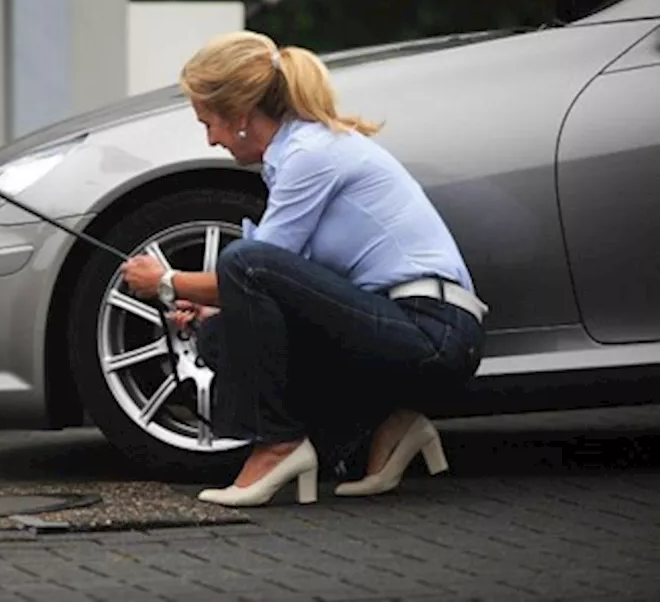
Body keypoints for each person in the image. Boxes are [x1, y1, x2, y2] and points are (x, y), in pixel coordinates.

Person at [120, 30, 487, 508]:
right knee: (221, 334)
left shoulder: (308, 156)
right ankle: (388, 424)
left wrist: (166, 282)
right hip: (403, 327)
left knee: (243, 260)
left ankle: (277, 446)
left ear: (241, 116)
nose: (210, 139)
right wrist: (220, 308)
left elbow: (253, 269)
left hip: (436, 330)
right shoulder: (298, 155)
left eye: (209, 122)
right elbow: (288, 290)